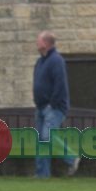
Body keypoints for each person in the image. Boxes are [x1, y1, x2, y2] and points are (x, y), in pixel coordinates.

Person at [33, 31, 79, 178]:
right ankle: (42, 175)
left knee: (47, 137)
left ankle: (72, 158)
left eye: (38, 40)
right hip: (41, 107)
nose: (36, 43)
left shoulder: (56, 60)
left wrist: (52, 104)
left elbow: (60, 85)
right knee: (41, 141)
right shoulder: (40, 62)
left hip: (54, 108)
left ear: (46, 43)